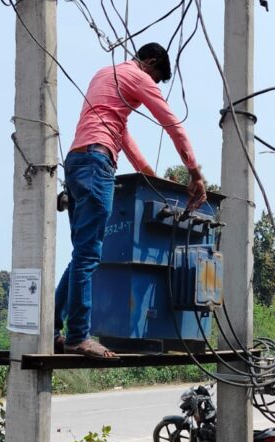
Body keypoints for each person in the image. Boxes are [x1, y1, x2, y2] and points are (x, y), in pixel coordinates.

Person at [54, 43, 207, 360]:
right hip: (98, 164)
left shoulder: (104, 75)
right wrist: (195, 173)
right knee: (88, 256)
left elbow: (121, 133)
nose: (154, 84)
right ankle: (78, 337)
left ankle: (54, 329)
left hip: (76, 163)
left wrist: (149, 174)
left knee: (82, 254)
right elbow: (171, 123)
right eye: (156, 77)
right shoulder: (138, 78)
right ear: (149, 63)